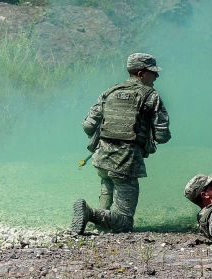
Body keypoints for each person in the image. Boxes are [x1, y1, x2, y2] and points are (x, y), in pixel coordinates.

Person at [71, 53, 171, 234]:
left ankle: (101, 223)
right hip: (126, 162)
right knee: (125, 221)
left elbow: (88, 126)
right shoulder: (151, 96)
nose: (157, 76)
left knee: (107, 182)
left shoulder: (109, 92)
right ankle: (89, 213)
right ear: (141, 74)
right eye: (153, 72)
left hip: (101, 157)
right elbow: (162, 135)